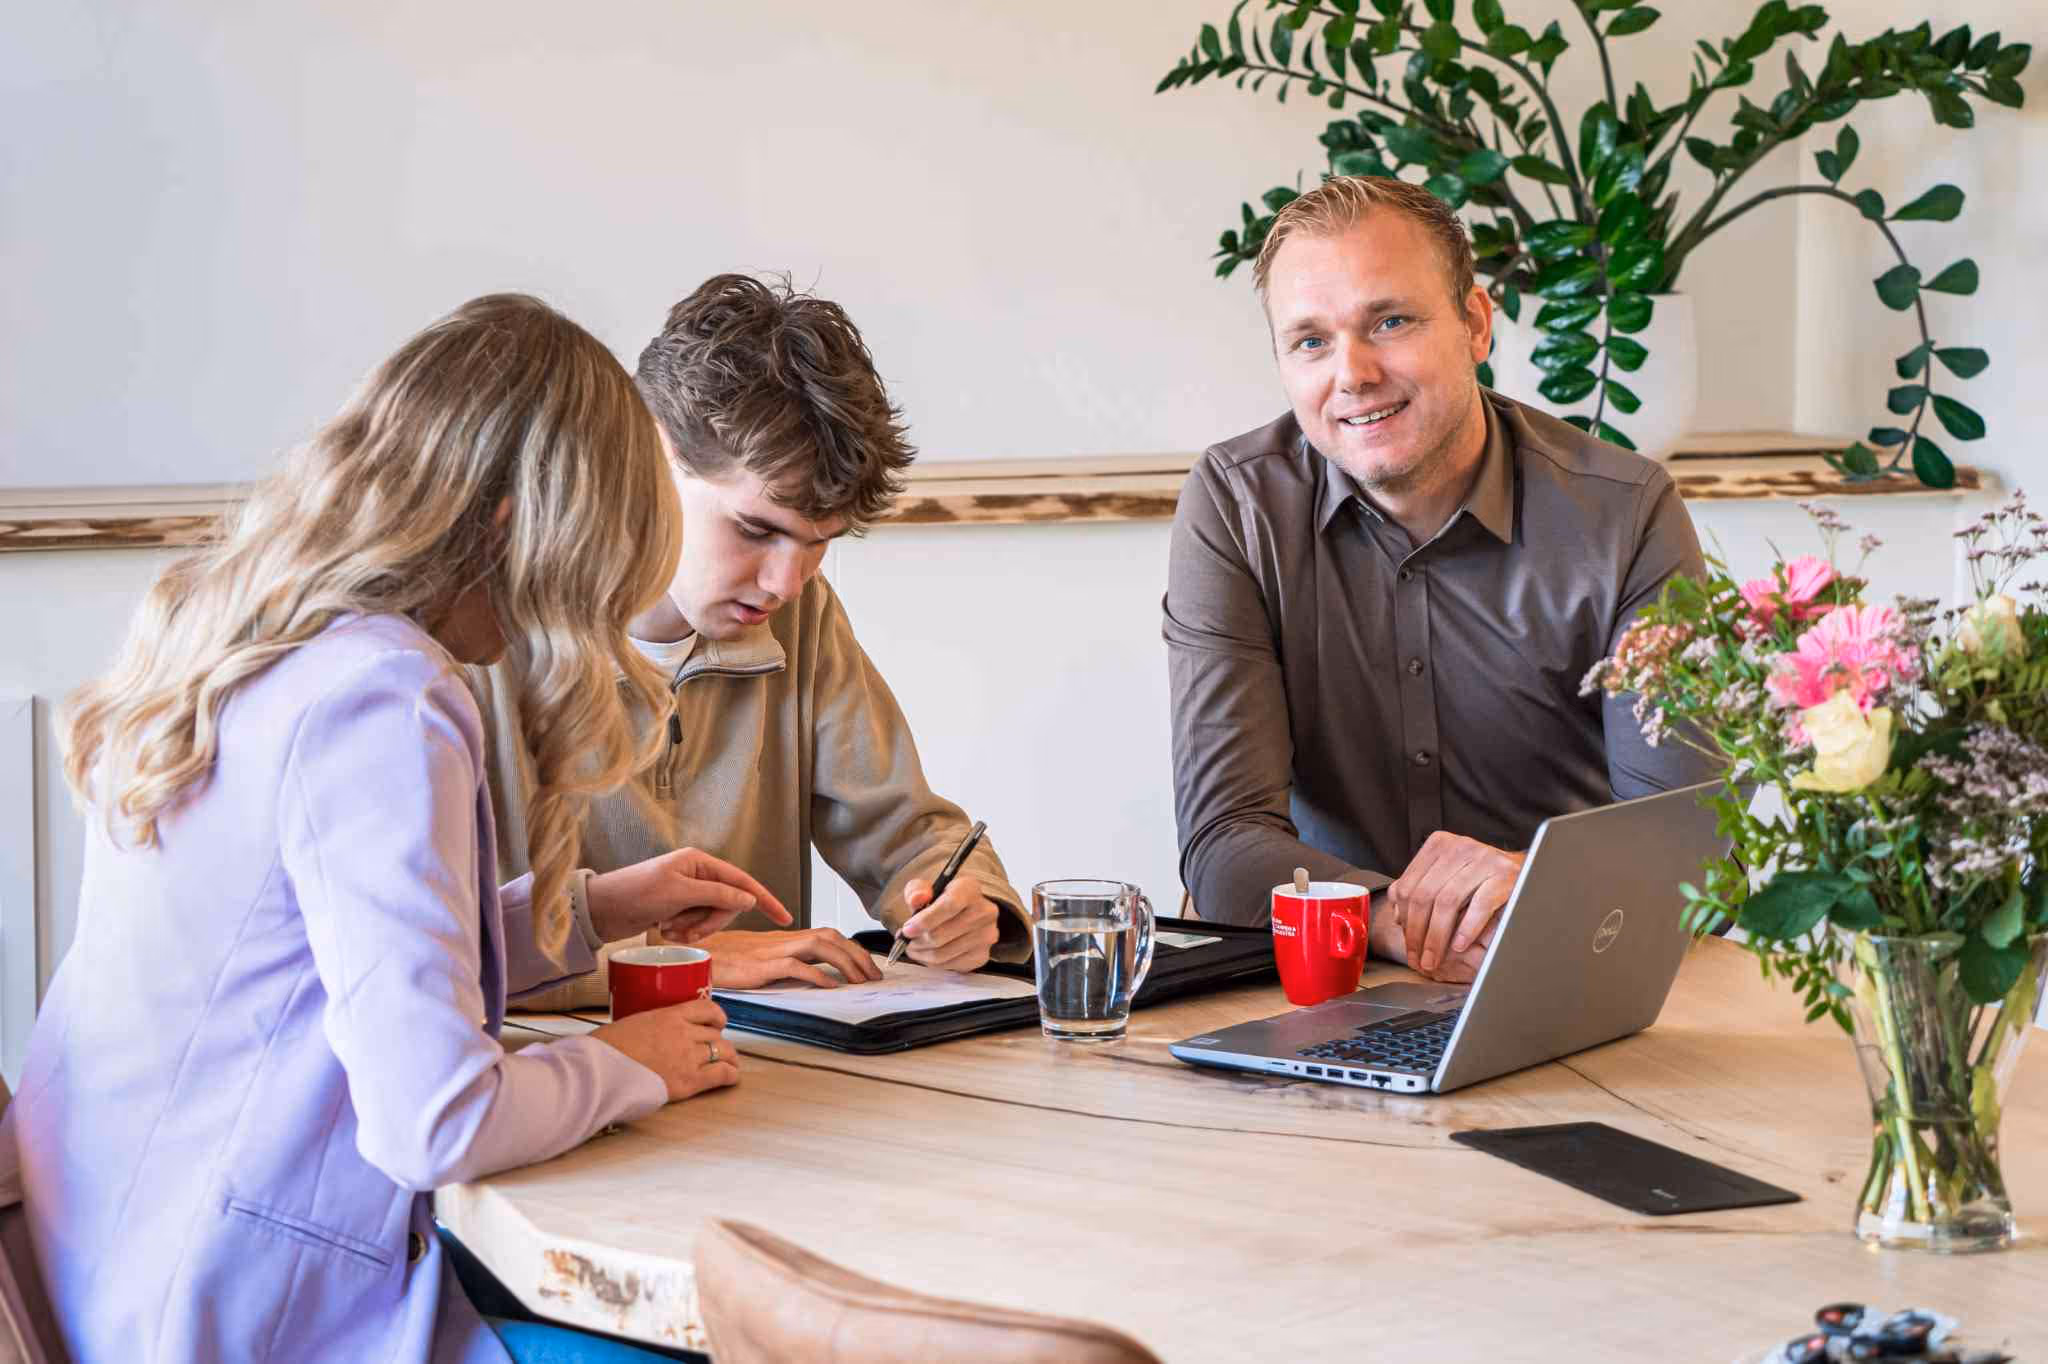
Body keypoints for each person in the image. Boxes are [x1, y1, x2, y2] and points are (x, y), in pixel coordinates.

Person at [5, 294, 787, 1362]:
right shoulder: (384, 695)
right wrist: (629, 1060)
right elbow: (435, 1119)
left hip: (102, 1263)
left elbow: (319, 969)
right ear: (516, 525)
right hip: (230, 1307)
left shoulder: (250, 635)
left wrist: (590, 913)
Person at [1164, 175, 1717, 983]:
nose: (1351, 374)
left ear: (1475, 323)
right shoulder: (1236, 506)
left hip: (1571, 970)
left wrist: (1528, 895)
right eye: (1310, 341)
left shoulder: (1624, 513)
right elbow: (1223, 845)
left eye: (1389, 321)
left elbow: (1689, 839)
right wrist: (1395, 921)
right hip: (1337, 981)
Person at [480, 274, 1027, 1008]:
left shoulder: (803, 618)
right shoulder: (483, 628)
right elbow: (441, 951)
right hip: (554, 1074)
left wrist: (966, 902)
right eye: (756, 529)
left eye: (820, 544)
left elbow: (904, 831)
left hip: (763, 1072)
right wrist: (679, 961)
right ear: (652, 453)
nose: (785, 582)